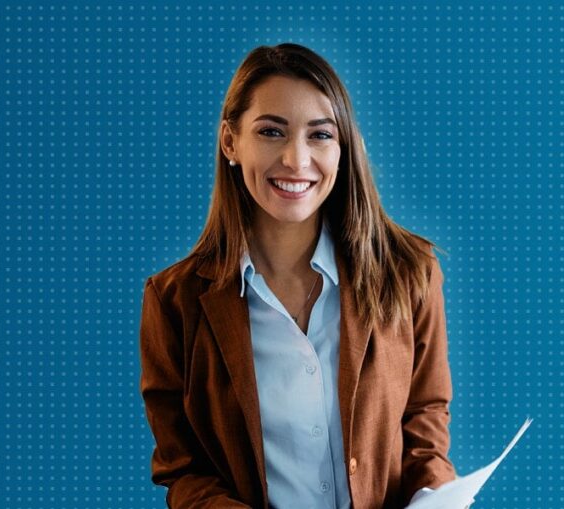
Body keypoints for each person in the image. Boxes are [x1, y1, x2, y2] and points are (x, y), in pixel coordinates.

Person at [139, 42, 463, 509]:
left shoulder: (409, 272)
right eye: (272, 131)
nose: (296, 159)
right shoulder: (174, 301)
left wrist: (434, 494)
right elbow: (183, 470)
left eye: (320, 135)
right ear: (230, 141)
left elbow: (425, 420)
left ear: (342, 146)